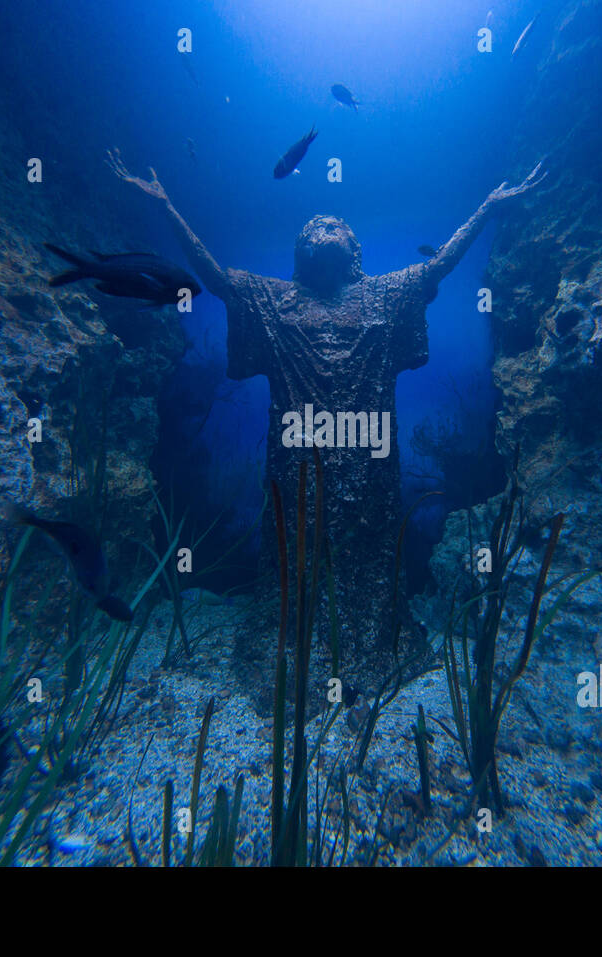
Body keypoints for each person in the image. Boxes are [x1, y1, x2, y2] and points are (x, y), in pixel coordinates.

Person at [109, 150, 546, 681]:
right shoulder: (274, 300)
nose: (323, 226)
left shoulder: (384, 294)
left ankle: (376, 645)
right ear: (300, 253)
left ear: (353, 249)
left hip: (370, 463)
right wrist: (167, 206)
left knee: (367, 553)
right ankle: (290, 646)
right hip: (296, 462)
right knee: (297, 553)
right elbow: (218, 279)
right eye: (312, 225)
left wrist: (487, 207)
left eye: (334, 223)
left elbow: (438, 267)